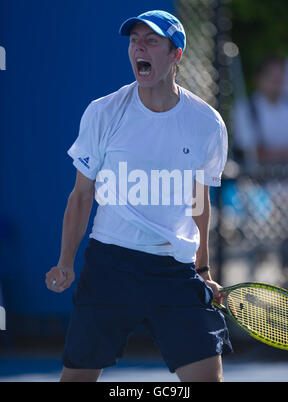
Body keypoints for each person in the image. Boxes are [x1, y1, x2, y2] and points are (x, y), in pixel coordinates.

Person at [45, 10, 232, 382]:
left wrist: (203, 269)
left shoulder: (207, 124)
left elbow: (199, 200)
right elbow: (81, 196)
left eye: (151, 41)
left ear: (176, 54)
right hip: (111, 264)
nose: (138, 48)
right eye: (134, 41)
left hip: (174, 271)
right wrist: (66, 260)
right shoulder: (103, 112)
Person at [232, 56, 288, 165]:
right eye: (271, 76)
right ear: (258, 79)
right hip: (258, 180)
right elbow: (249, 153)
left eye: (280, 76)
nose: (277, 81)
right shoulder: (246, 109)